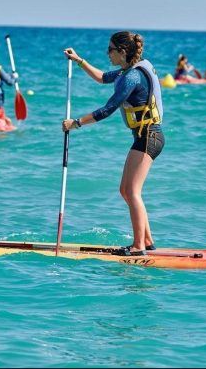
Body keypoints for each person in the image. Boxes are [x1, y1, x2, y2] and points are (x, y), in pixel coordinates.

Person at [62, 31, 165, 257]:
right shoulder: (126, 72)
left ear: (122, 52)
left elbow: (107, 110)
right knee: (125, 191)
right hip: (144, 137)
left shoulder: (131, 78)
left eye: (110, 49)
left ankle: (138, 246)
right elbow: (101, 77)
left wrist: (76, 123)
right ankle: (146, 240)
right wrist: (79, 61)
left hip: (150, 136)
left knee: (133, 191)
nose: (107, 53)